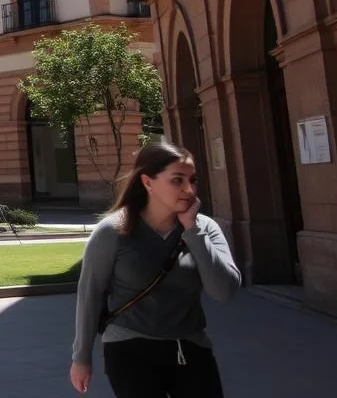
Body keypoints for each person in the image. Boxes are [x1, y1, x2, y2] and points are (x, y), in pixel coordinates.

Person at [70, 142, 240, 397]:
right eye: (177, 180)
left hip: (190, 346)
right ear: (148, 182)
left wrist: (193, 231)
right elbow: (90, 295)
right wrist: (81, 357)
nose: (189, 189)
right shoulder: (113, 231)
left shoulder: (204, 228)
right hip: (129, 348)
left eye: (192, 180)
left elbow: (224, 291)